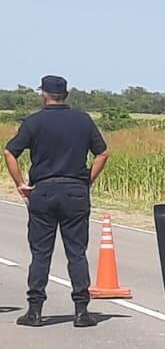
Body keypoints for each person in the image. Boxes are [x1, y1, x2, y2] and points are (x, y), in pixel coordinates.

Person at [4, 74, 109, 327]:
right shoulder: (83, 121)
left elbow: (10, 151)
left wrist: (21, 184)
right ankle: (82, 310)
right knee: (76, 252)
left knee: (41, 253)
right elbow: (102, 153)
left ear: (44, 94)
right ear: (66, 95)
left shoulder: (34, 122)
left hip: (44, 190)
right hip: (75, 191)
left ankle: (35, 310)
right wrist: (87, 181)